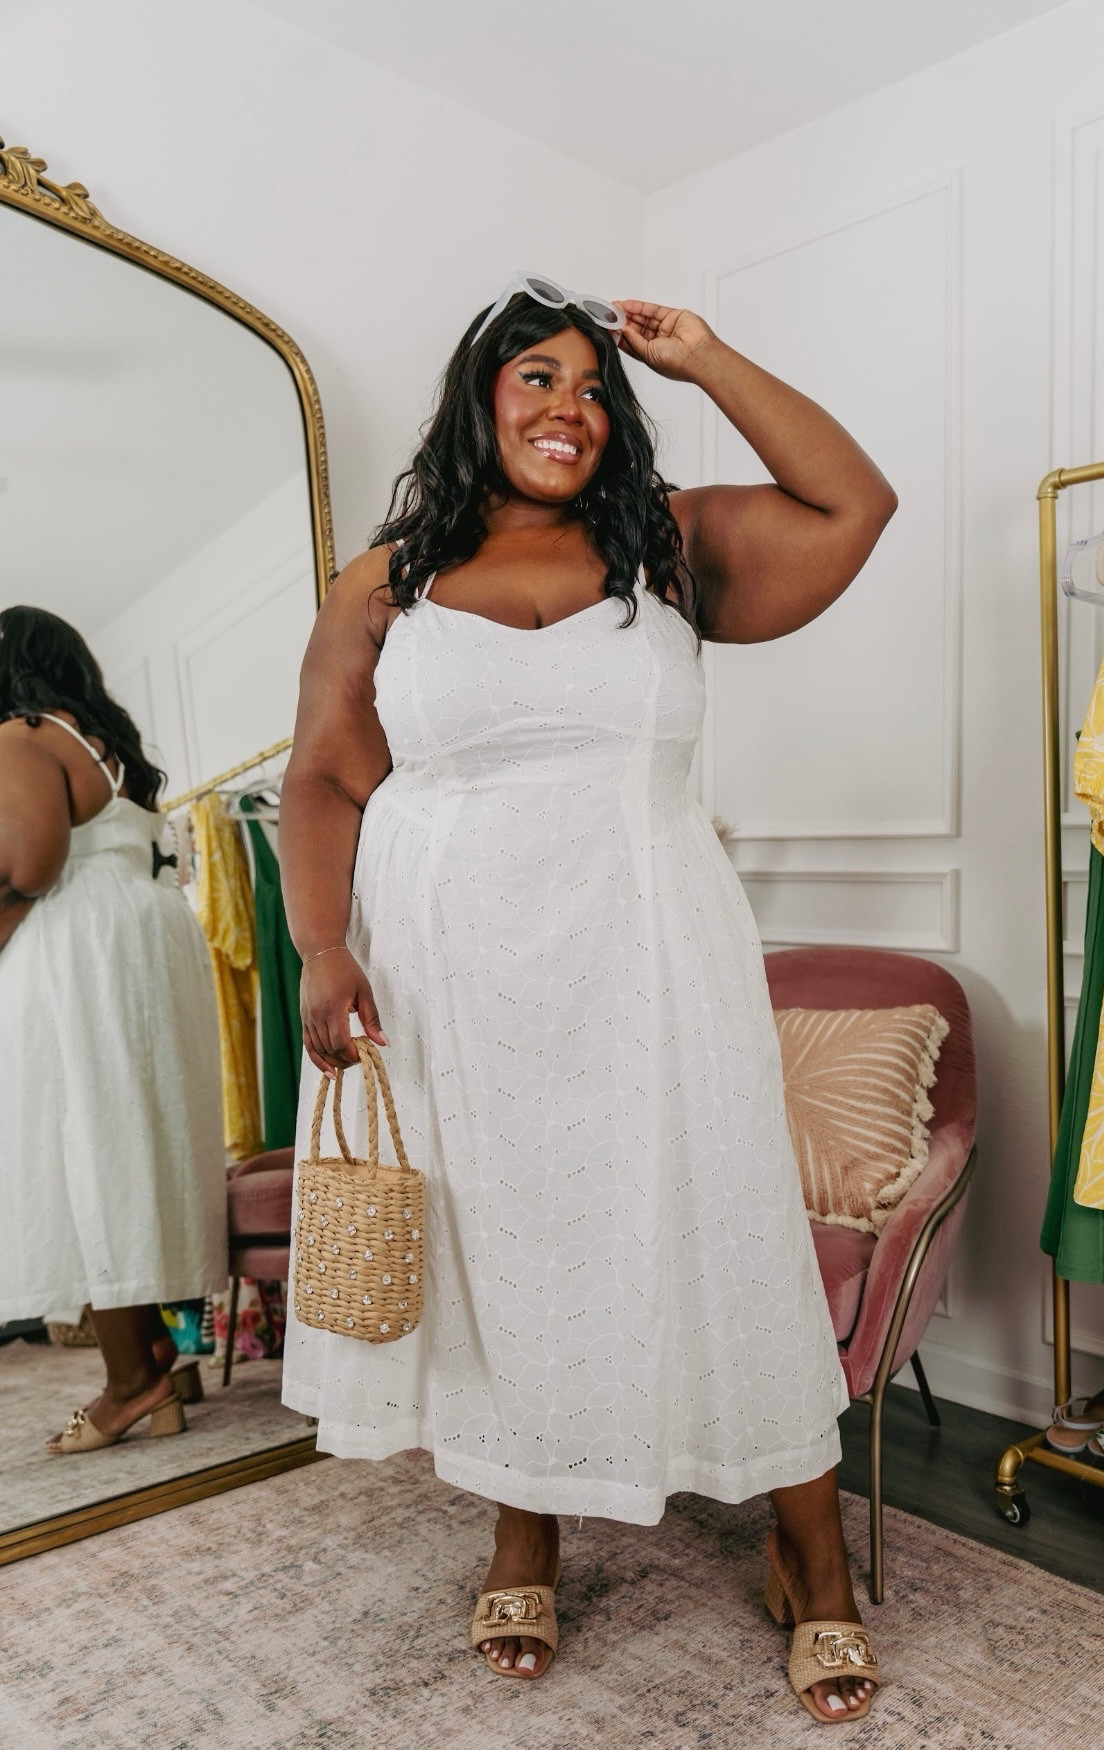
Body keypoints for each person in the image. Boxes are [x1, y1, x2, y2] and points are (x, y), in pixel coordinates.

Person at [280, 278, 897, 1723]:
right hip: (452, 974)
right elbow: (319, 772)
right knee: (500, 1241)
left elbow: (851, 506)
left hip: (652, 959)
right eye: (535, 376)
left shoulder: (666, 548)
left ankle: (807, 1550)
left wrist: (702, 356)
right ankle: (523, 1524)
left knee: (722, 1224)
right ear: (477, 395)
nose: (568, 405)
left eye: (593, 386)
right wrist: (320, 945)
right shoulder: (383, 583)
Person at [0, 606, 227, 1452]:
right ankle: (166, 1355)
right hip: (145, 935)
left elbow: (28, 865)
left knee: (79, 1147)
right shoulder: (109, 748)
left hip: (77, 947)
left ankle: (134, 1379)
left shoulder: (24, 736)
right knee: (138, 1141)